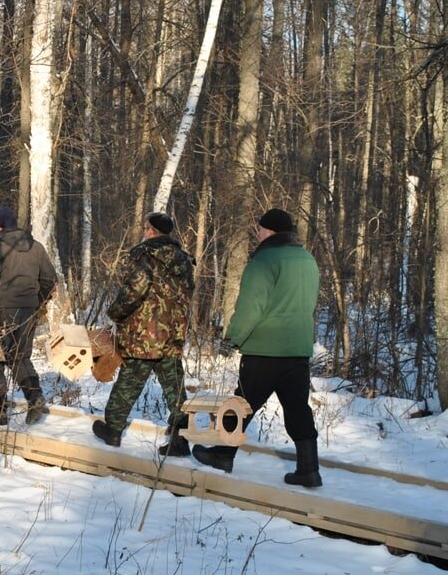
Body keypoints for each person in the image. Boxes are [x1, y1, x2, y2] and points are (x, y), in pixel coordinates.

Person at [193, 208, 322, 487]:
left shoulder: (264, 260)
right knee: (298, 408)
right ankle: (309, 469)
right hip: (298, 349)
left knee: (242, 403)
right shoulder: (308, 259)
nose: (257, 233)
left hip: (265, 348)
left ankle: (223, 455)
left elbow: (251, 307)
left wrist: (233, 338)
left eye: (260, 229)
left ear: (270, 231)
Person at [91, 212, 194, 454]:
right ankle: (180, 440)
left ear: (151, 231)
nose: (144, 231)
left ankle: (113, 431)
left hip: (144, 335)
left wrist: (115, 313)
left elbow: (134, 290)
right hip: (172, 334)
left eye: (146, 228)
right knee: (175, 388)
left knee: (129, 382)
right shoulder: (183, 259)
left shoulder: (143, 255)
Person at [0, 206, 57, 426]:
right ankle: (35, 398)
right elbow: (49, 279)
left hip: (2, 310)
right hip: (29, 310)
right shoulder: (36, 247)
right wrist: (38, 301)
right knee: (20, 357)